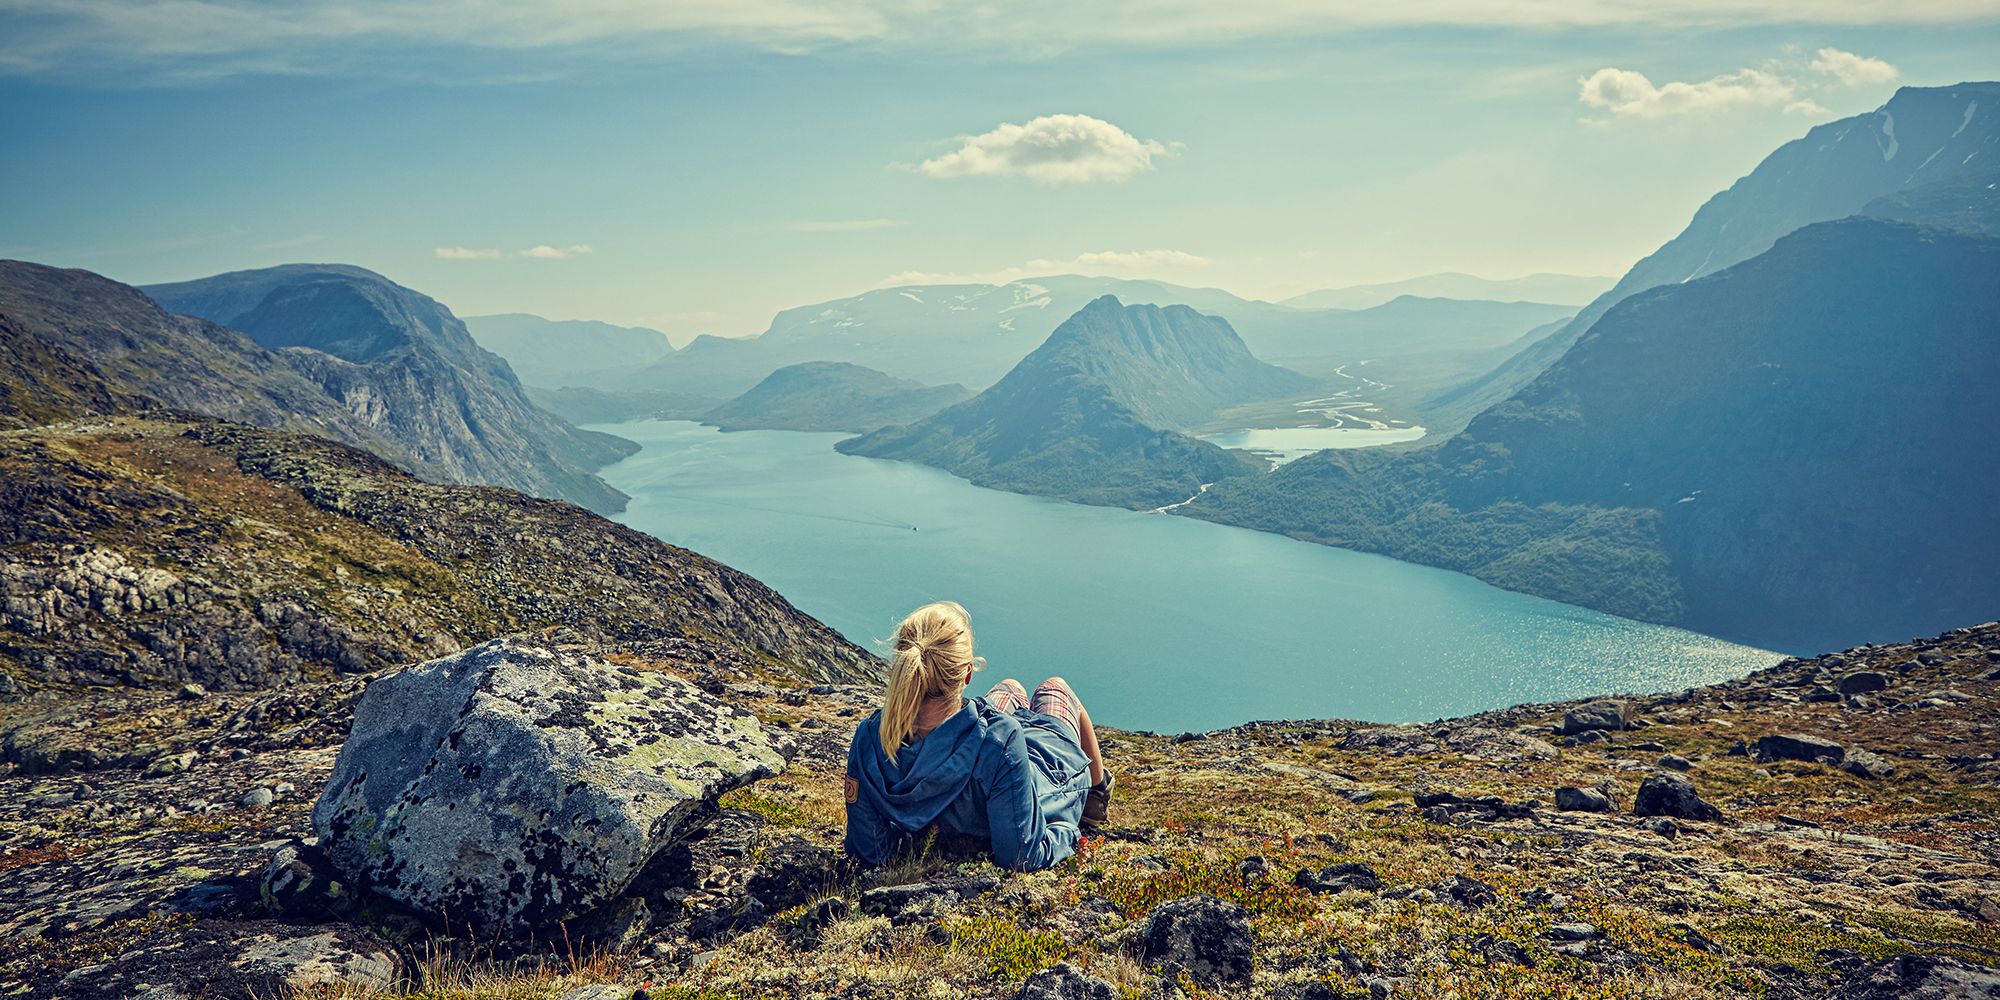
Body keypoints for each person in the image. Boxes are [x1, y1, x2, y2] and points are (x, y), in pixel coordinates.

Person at [843, 601, 1113, 871]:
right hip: (1040, 780)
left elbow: (870, 850)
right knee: (1054, 687)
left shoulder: (869, 736)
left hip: (985, 750)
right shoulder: (999, 742)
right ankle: (1096, 798)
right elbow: (1021, 855)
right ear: (967, 674)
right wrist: (1070, 834)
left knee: (1010, 687)